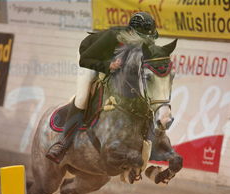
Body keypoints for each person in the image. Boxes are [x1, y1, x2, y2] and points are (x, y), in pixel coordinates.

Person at [46, 11, 159, 164]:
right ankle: (62, 144)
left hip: (115, 64)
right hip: (91, 58)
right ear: (132, 32)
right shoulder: (113, 37)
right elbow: (85, 59)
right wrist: (107, 66)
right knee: (83, 98)